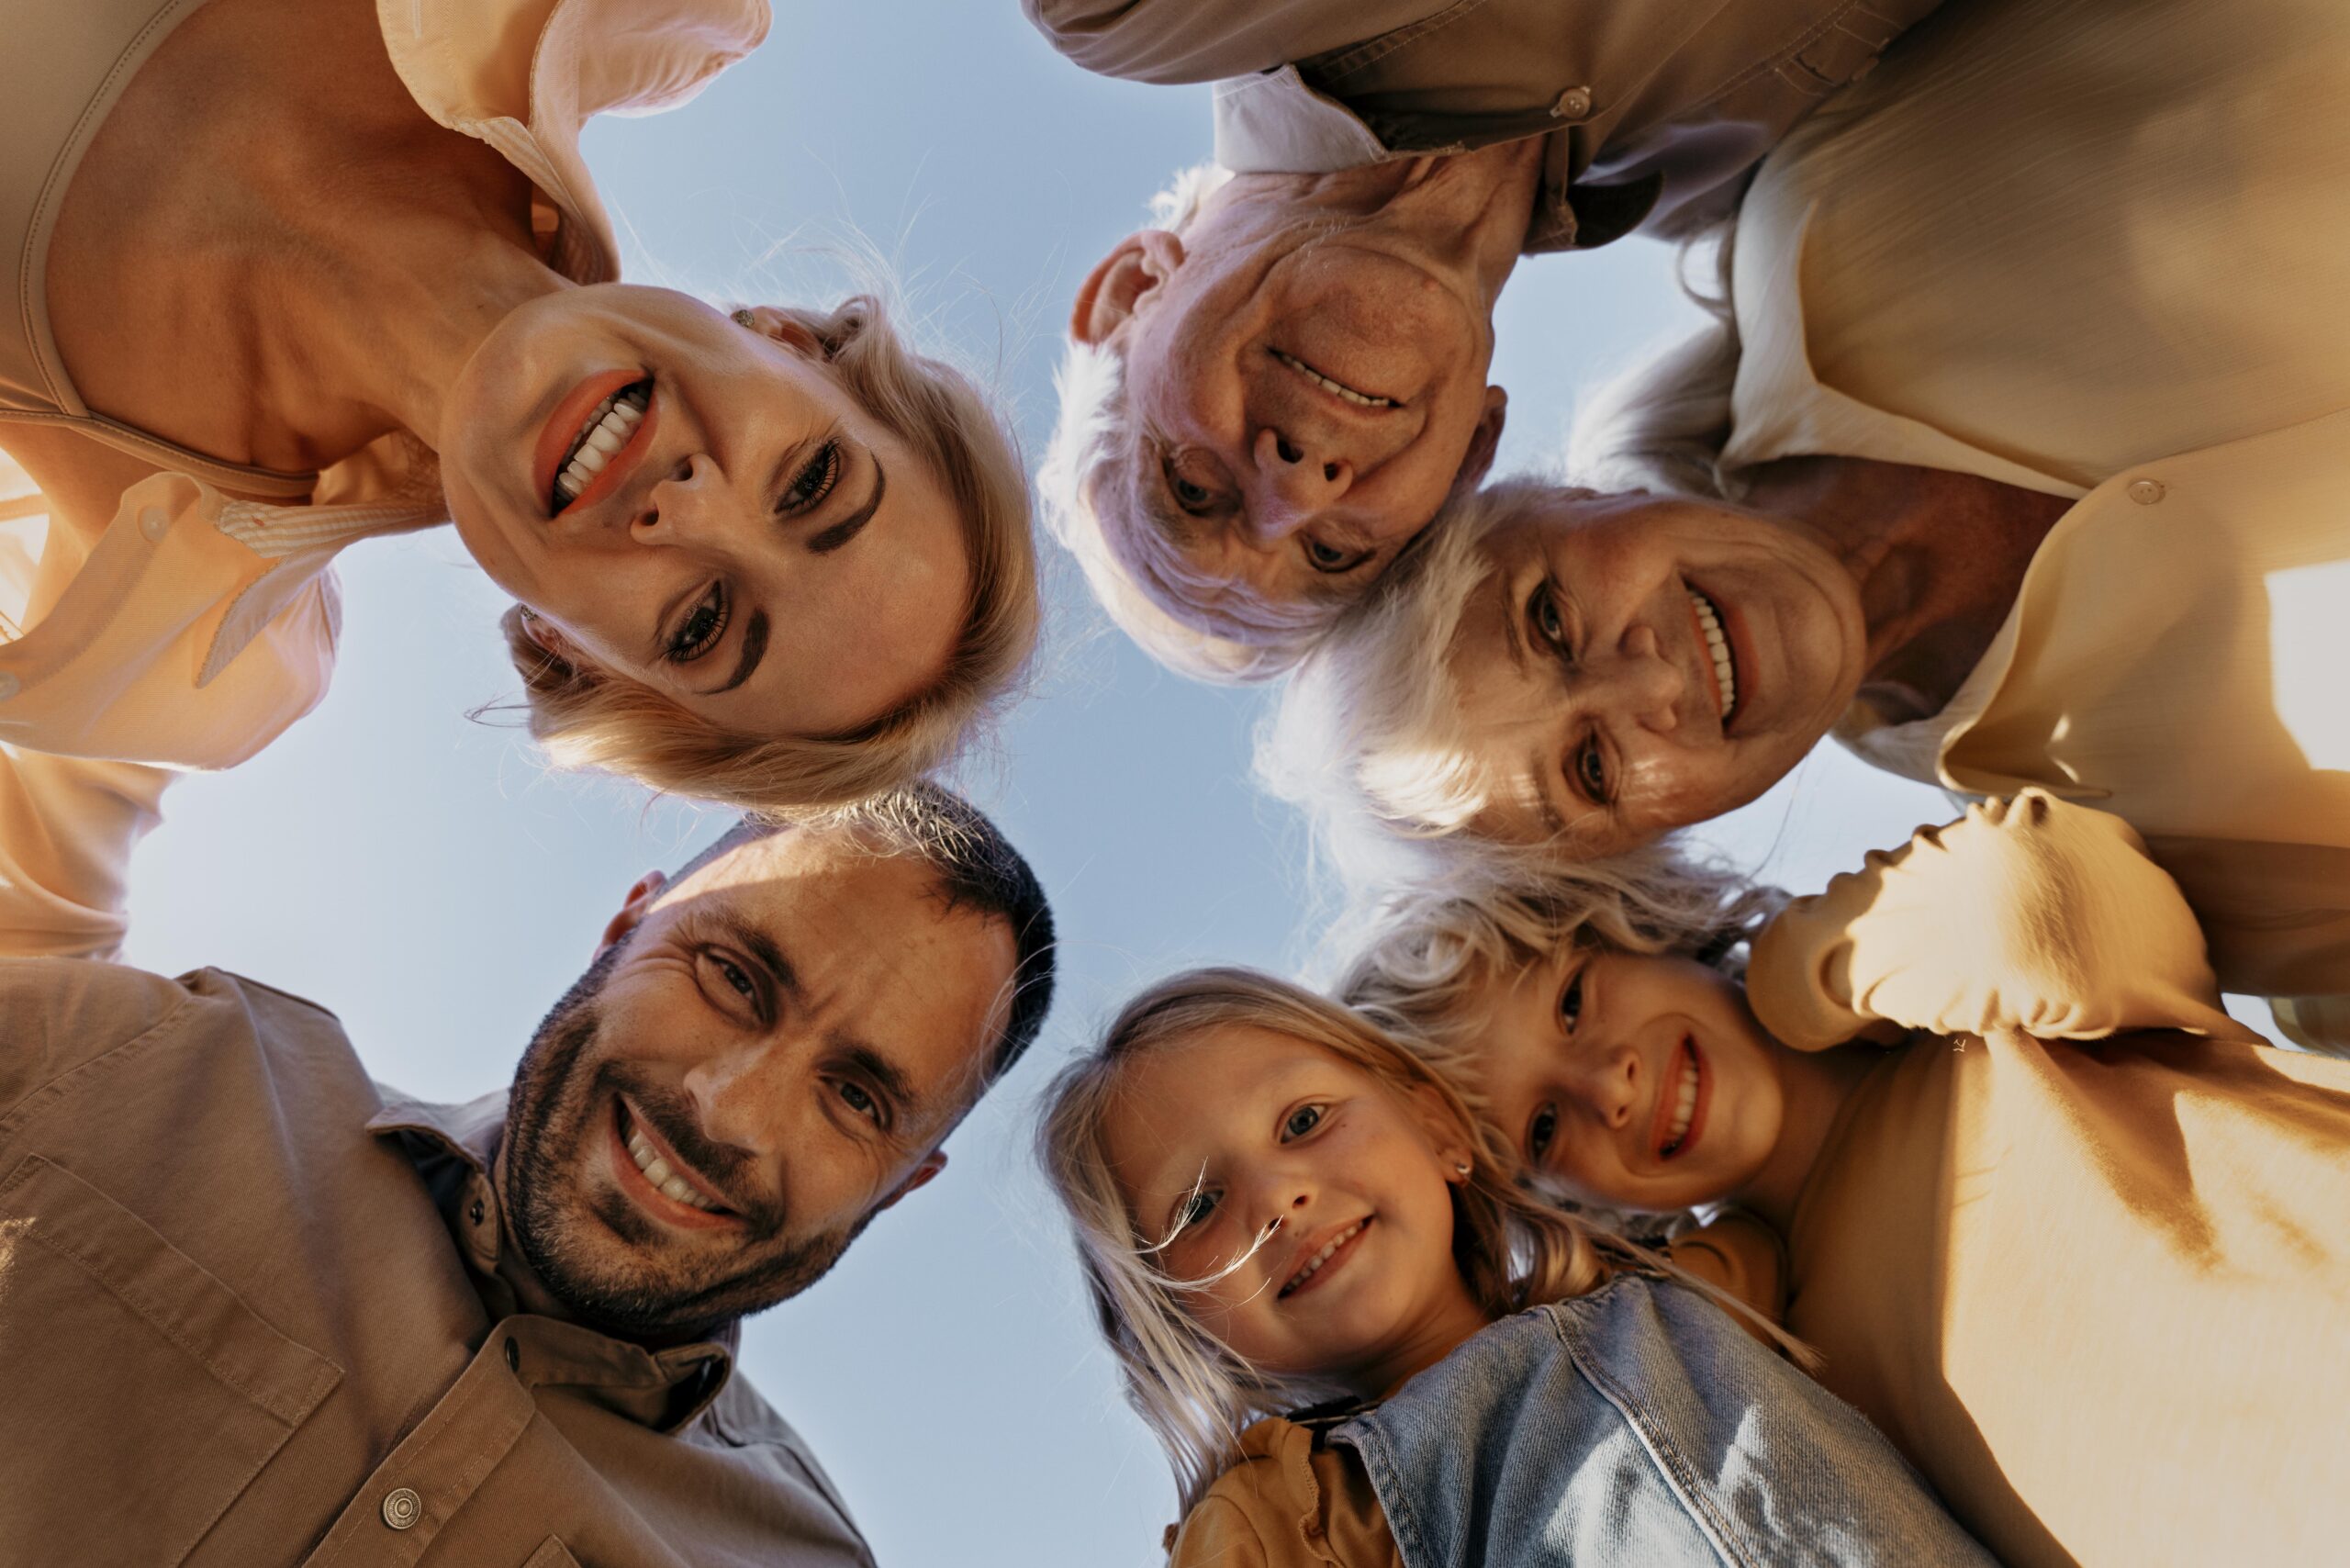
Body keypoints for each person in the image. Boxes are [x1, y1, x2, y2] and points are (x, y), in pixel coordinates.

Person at [1263, 0, 2350, 1047]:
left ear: (1559, 497)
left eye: (1549, 620)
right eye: (1592, 771)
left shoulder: (1834, 188)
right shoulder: (2149, 866)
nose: (1649, 688)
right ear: (1661, 834)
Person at [0, 741, 1058, 1563]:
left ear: (905, 1185)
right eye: (733, 977)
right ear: (624, 928)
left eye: (857, 1097)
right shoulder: (147, 1057)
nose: (727, 1111)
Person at [0, 0, 1037, 815]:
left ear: (575, 648)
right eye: (811, 482)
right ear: (790, 341)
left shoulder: (177, 649)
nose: (685, 513)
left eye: (703, 625)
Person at [1340, 791, 2350, 1567]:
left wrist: (1797, 970)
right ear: (1562, 1203)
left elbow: (2045, 900)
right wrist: (1701, 1281)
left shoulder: (1958, 1011)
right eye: (1546, 1126)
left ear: (1642, 923)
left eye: (1572, 1001)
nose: (1610, 1081)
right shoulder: (1767, 1350)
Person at [1028, 0, 1939, 678]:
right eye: (1336, 552)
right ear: (1472, 453)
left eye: (1190, 488)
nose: (1296, 487)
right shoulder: (1748, 186)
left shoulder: (1132, 11)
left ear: (1132, 291)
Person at [1036, 967, 1998, 1567]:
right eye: (1199, 1208)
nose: (1279, 1197)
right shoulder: (1282, 1523)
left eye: (1303, 1121)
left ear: (1437, 1126)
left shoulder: (1679, 1291)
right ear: (1184, 1332)